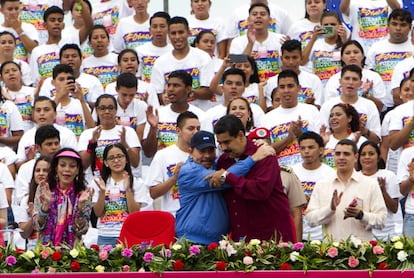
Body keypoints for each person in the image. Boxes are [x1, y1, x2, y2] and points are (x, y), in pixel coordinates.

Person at [176, 130, 275, 244]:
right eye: (202, 151)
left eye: (211, 151)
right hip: (192, 241)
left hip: (217, 241)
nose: (207, 156)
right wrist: (253, 158)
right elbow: (226, 178)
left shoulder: (215, 165)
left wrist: (254, 144)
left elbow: (230, 167)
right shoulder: (189, 171)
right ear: (190, 151)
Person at [211, 114, 294, 242]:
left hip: (272, 239)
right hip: (241, 240)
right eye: (220, 143)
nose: (223, 148)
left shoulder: (265, 154)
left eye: (227, 142)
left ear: (240, 135)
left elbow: (260, 191)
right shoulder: (224, 161)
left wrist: (229, 177)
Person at [306, 139, 387, 241]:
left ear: (356, 157)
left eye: (346, 154)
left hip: (361, 252)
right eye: (338, 154)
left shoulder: (370, 184)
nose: (341, 158)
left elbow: (382, 221)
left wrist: (361, 215)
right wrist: (329, 209)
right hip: (331, 251)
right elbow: (310, 220)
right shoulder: (322, 185)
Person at [247, 127, 306, 242]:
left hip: (280, 240)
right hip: (251, 239)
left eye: (264, 146)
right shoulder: (243, 174)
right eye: (256, 147)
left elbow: (296, 214)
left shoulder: (286, 174)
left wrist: (296, 247)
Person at [92, 143, 150, 246]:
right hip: (105, 235)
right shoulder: (98, 182)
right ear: (105, 162)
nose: (116, 161)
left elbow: (133, 213)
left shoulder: (137, 183)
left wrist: (128, 189)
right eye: (111, 158)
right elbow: (98, 213)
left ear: (126, 159)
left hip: (129, 234)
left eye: (120, 156)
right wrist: (102, 192)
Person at [33, 148, 93, 247]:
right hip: (46, 251)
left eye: (72, 166)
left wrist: (80, 208)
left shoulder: (84, 193)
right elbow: (37, 226)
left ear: (78, 170)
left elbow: (81, 230)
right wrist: (45, 206)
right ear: (56, 168)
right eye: (62, 165)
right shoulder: (44, 188)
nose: (67, 169)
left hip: (74, 251)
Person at [149, 16, 213, 110]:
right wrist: (165, 97)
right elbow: (157, 94)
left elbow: (209, 92)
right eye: (173, 33)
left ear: (188, 33)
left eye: (181, 32)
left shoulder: (203, 57)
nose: (177, 37)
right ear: (168, 35)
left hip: (198, 114)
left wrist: (184, 93)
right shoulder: (160, 62)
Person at [260, 69, 320, 167]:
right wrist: (288, 138)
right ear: (278, 89)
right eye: (282, 87)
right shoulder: (267, 118)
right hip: (281, 173)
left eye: (290, 86)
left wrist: (300, 134)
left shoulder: (312, 111)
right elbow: (265, 151)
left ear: (299, 88)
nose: (286, 90)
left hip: (308, 168)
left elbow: (319, 144)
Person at [145, 111, 200, 216]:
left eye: (198, 128)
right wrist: (174, 178)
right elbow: (153, 193)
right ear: (178, 131)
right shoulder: (163, 155)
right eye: (191, 128)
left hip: (197, 215)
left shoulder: (203, 155)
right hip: (173, 215)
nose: (195, 132)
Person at [78, 94, 141, 181]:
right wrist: (92, 143)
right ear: (96, 110)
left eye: (111, 108)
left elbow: (135, 163)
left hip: (123, 182)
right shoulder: (87, 134)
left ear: (116, 110)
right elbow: (83, 166)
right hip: (95, 183)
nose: (107, 111)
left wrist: (125, 145)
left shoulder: (128, 132)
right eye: (102, 108)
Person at [366, 8, 413, 113]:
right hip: (383, 104)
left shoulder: (412, 47)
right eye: (394, 24)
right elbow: (369, 76)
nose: (398, 28)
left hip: (408, 104)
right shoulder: (375, 48)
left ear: (410, 27)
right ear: (388, 25)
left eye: (403, 25)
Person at [320, 64, 381, 144]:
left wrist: (364, 130)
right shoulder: (328, 105)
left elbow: (377, 140)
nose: (350, 82)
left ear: (360, 83)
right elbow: (322, 136)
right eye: (347, 79)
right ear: (340, 81)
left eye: (355, 79)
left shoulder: (369, 105)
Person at [292, 131, 335, 241]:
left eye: (311, 147)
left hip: (322, 235)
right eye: (302, 148)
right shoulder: (291, 172)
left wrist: (312, 201)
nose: (306, 151)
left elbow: (334, 205)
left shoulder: (331, 174)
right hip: (298, 233)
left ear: (321, 150)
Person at [357, 141, 403, 239]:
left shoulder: (388, 176)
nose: (367, 157)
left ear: (378, 157)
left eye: (371, 154)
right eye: (363, 154)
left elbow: (394, 208)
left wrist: (382, 191)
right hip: (361, 235)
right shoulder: (355, 177)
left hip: (385, 235)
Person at [324, 40, 386, 112]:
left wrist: (367, 95)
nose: (352, 55)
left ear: (363, 56)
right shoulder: (334, 79)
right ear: (342, 58)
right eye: (348, 53)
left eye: (356, 52)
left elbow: (382, 108)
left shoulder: (374, 77)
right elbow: (328, 107)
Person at [15, 97, 77, 167]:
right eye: (38, 110)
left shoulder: (67, 134)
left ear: (55, 113)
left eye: (46, 110)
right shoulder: (26, 136)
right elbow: (18, 166)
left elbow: (74, 162)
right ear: (33, 115)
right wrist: (29, 160)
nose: (42, 113)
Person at [229, 3, 284, 81]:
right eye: (254, 14)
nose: (258, 16)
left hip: (275, 87)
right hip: (249, 87)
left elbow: (287, 65)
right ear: (248, 20)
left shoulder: (281, 39)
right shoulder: (237, 41)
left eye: (263, 14)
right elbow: (234, 65)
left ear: (270, 20)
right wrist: (250, 44)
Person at [38, 43, 104, 108]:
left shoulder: (93, 81)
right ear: (60, 61)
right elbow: (42, 107)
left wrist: (80, 100)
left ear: (81, 60)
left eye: (74, 56)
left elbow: (99, 107)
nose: (70, 59)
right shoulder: (48, 82)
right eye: (66, 57)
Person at [264, 39, 323, 109]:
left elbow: (319, 106)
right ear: (281, 59)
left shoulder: (314, 80)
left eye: (294, 57)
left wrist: (309, 106)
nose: (291, 62)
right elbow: (270, 109)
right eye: (287, 58)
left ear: (301, 58)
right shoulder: (271, 82)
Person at [29, 6, 79, 84]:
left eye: (60, 20)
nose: (56, 23)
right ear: (45, 25)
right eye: (52, 20)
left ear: (63, 25)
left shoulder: (71, 46)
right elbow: (35, 79)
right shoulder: (37, 51)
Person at [14, 125, 61, 207]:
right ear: (37, 148)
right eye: (49, 144)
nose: (54, 147)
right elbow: (21, 199)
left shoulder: (64, 167)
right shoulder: (26, 168)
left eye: (56, 143)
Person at [206, 68, 264, 133]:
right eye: (229, 83)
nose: (234, 87)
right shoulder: (210, 114)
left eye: (238, 84)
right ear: (222, 87)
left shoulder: (256, 110)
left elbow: (263, 135)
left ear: (244, 88)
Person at [301, 10, 347, 87]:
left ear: (339, 26)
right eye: (326, 25)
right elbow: (302, 62)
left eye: (333, 24)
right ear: (321, 26)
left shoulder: (345, 44)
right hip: (319, 86)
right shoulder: (316, 44)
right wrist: (313, 39)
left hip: (338, 87)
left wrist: (344, 41)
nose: (329, 27)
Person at [13, 156, 51, 249]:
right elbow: (24, 234)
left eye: (45, 170)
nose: (41, 173)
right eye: (38, 170)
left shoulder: (59, 197)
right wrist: (33, 217)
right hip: (33, 248)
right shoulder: (26, 200)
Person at [52, 64, 95, 138]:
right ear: (53, 82)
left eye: (68, 79)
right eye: (61, 79)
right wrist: (58, 97)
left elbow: (91, 128)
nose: (65, 82)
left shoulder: (79, 103)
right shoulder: (47, 104)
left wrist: (82, 100)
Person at [321, 103, 367, 168]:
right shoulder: (324, 139)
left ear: (349, 118)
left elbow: (362, 168)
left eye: (338, 115)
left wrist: (354, 145)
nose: (333, 118)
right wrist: (322, 145)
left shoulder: (360, 140)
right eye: (331, 116)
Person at [135, 11, 172, 84]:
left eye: (162, 26)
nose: (158, 30)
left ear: (168, 29)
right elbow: (137, 76)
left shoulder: (174, 51)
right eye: (155, 27)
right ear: (150, 30)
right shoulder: (140, 50)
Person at [0, 60, 35, 131]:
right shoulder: (1, 94)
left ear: (21, 74)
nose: (11, 73)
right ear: (1, 78)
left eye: (14, 70)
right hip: (10, 135)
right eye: (6, 72)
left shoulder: (33, 91)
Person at [81, 25, 119, 89]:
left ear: (108, 40)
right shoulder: (85, 63)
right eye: (95, 38)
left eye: (103, 37)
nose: (99, 40)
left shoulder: (117, 59)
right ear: (90, 42)